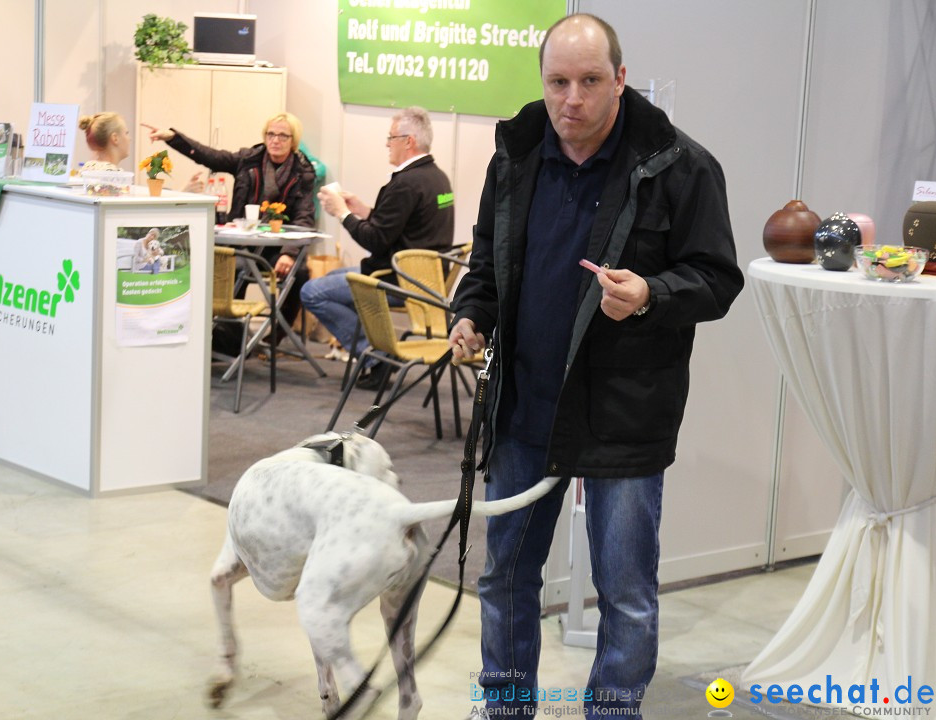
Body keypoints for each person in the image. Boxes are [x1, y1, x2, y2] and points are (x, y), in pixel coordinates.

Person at [448, 14, 744, 719]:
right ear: (542, 83)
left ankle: (614, 711)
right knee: (506, 580)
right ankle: (506, 707)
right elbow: (487, 262)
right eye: (558, 82)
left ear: (619, 78)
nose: (571, 99)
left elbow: (716, 280)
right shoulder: (514, 159)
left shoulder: (680, 165)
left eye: (588, 81)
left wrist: (650, 294)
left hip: (624, 412)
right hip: (524, 409)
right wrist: (471, 314)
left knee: (627, 592)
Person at [303, 106, 455, 388]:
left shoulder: (406, 184)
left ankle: (378, 357)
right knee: (327, 280)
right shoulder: (437, 177)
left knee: (311, 291)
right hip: (424, 281)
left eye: (391, 137)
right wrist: (362, 210)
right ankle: (377, 351)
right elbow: (403, 228)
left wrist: (342, 214)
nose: (387, 144)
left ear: (408, 141)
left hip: (396, 280)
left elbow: (374, 240)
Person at [143, 113, 316, 350]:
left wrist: (290, 252)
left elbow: (305, 217)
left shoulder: (303, 172)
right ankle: (229, 341)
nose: (275, 140)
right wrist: (173, 138)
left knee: (302, 274)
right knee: (233, 267)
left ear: (293, 140)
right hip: (243, 243)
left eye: (282, 135)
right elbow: (210, 156)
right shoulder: (249, 159)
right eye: (271, 134)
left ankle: (277, 334)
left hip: (276, 248)